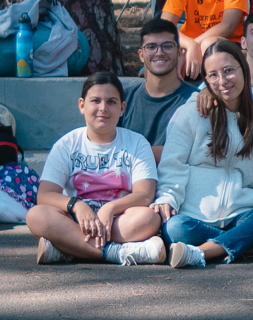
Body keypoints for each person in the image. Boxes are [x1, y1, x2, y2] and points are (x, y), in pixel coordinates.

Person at [158, 40, 253, 268]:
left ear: (243, 68)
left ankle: (201, 253)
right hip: (195, 217)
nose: (222, 81)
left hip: (241, 216)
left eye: (228, 71)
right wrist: (167, 198)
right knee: (175, 228)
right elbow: (173, 167)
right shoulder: (189, 114)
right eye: (212, 75)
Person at [28, 73, 165, 266]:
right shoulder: (66, 144)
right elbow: (45, 195)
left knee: (148, 218)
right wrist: (77, 205)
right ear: (82, 105)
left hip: (117, 221)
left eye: (111, 102)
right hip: (76, 222)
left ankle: (68, 248)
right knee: (36, 215)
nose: (103, 108)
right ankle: (114, 253)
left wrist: (110, 208)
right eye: (95, 101)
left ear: (122, 108)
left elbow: (144, 194)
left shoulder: (137, 143)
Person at [121, 17, 196, 157]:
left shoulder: (195, 101)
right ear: (141, 55)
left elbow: (196, 154)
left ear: (179, 53)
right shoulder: (123, 99)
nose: (159, 52)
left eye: (167, 46)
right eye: (151, 47)